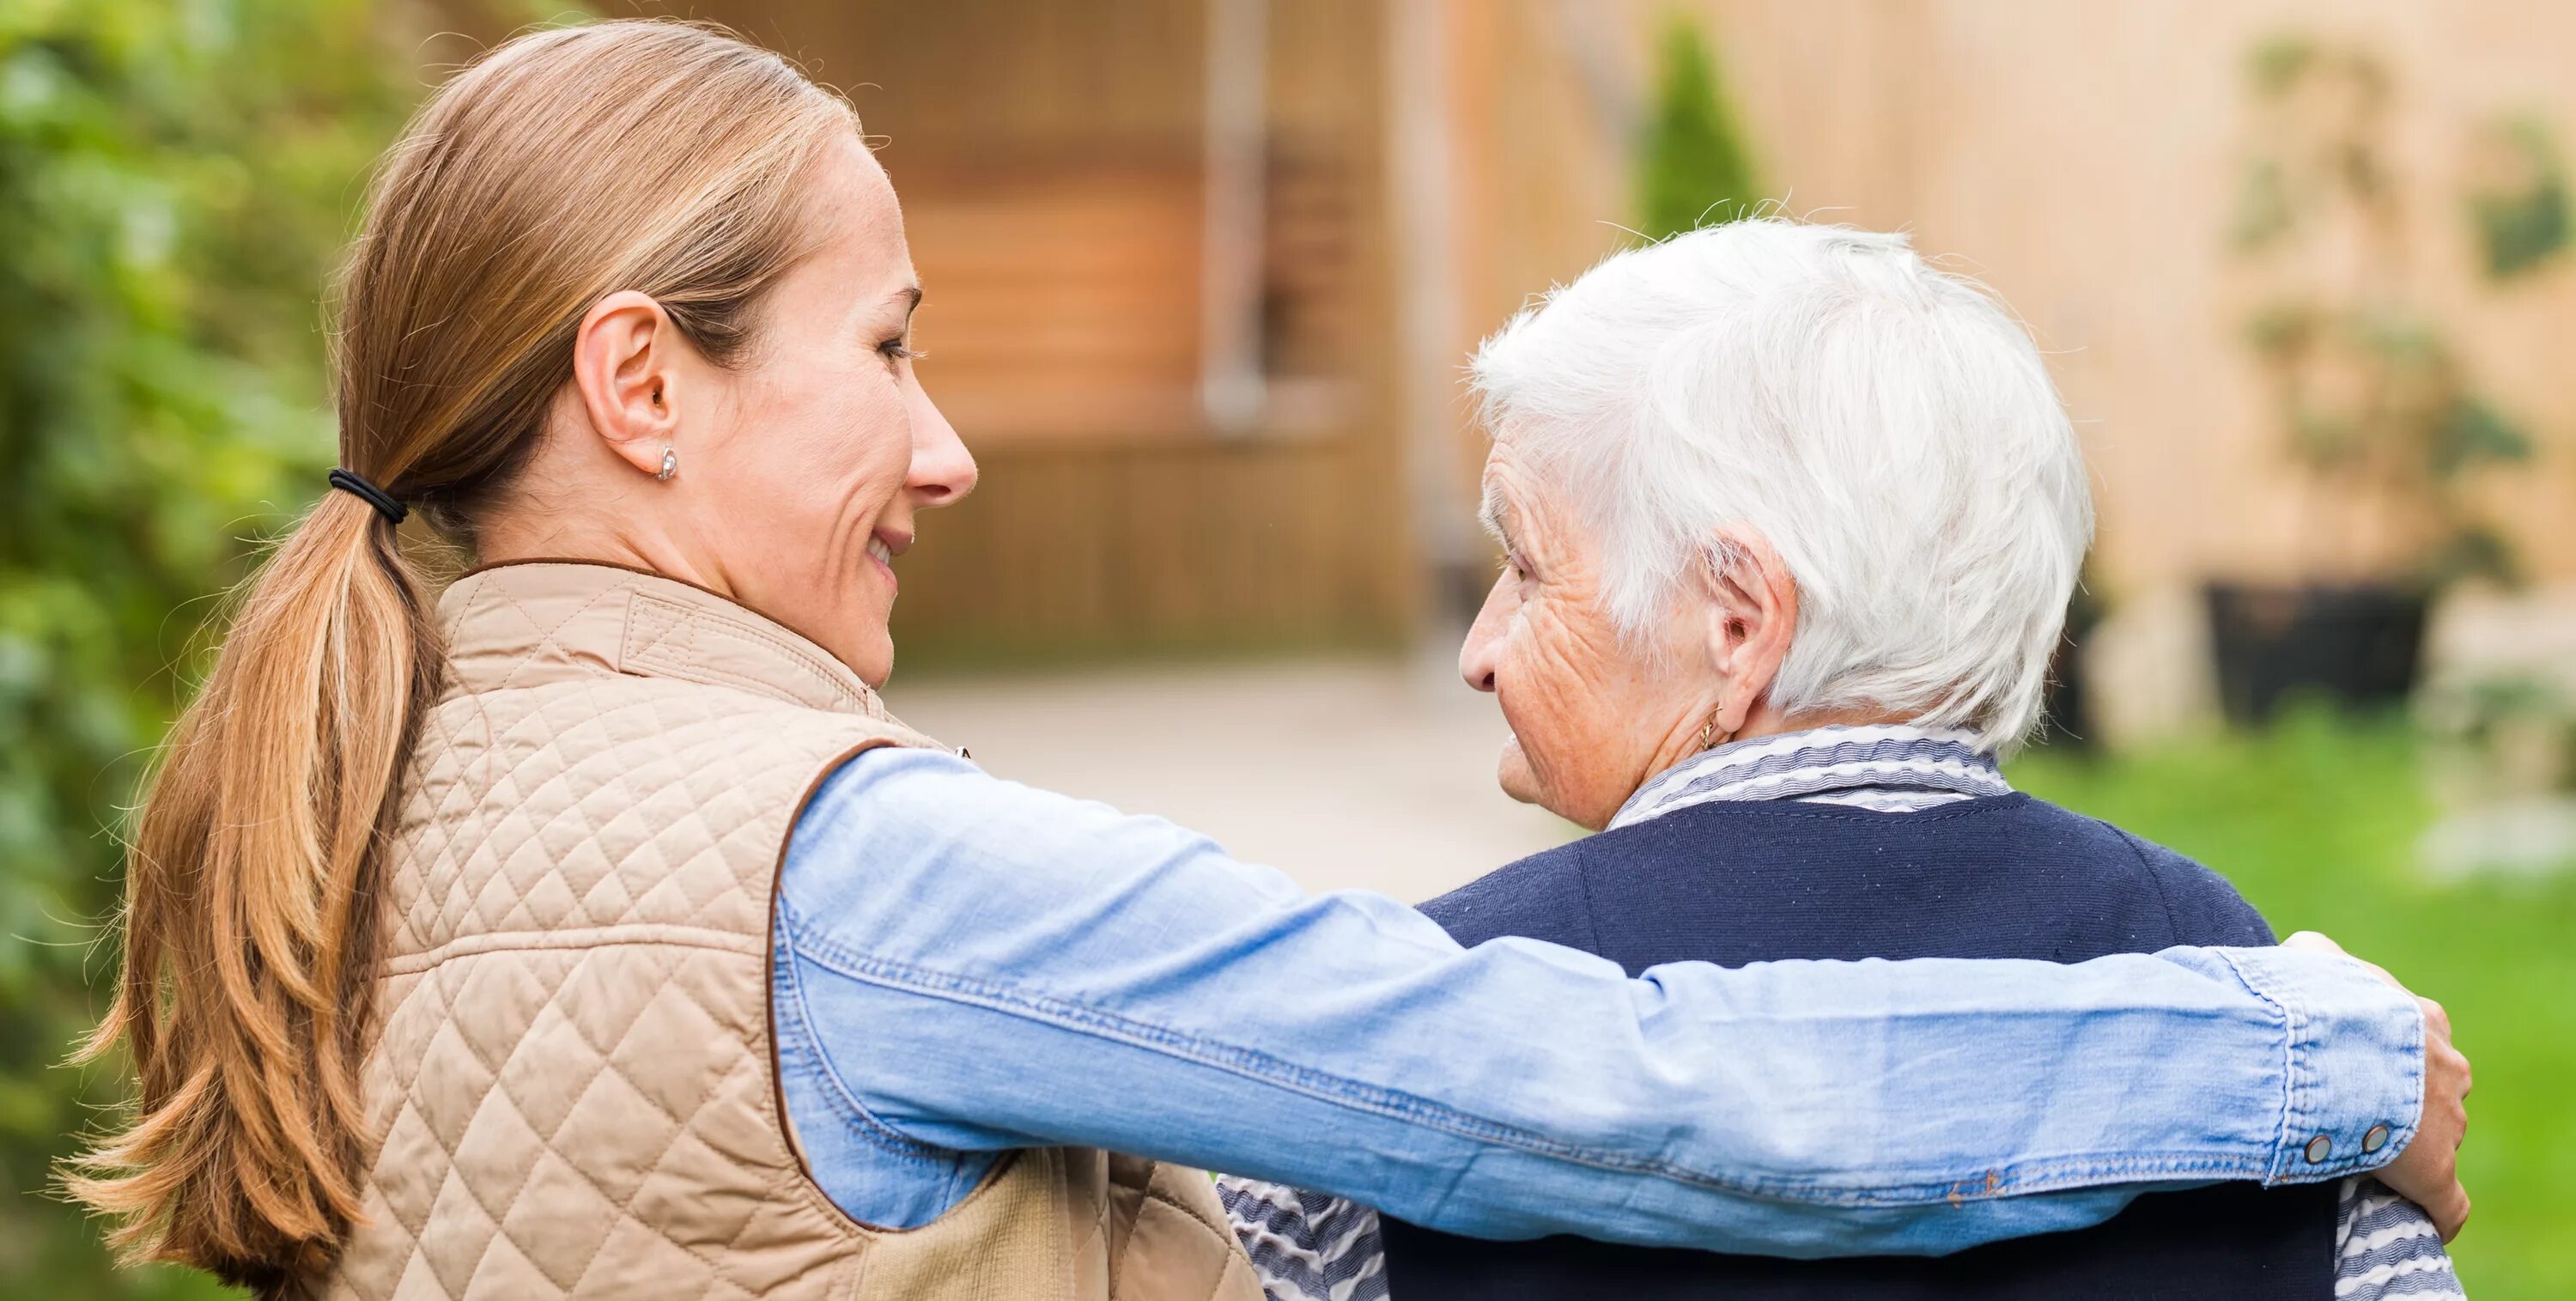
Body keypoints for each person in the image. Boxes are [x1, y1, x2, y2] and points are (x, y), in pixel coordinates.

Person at [65, 21, 2465, 1301]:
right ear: (641, 383)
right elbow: (1607, 1088)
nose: (946, 447)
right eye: (888, 348)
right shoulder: (848, 875)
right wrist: (2317, 1052)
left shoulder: (371, 795)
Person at [1214, 221, 2465, 1301]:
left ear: (1740, 622)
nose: (1480, 653)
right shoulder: (2267, 1011)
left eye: (1530, 570)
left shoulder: (1404, 1032)